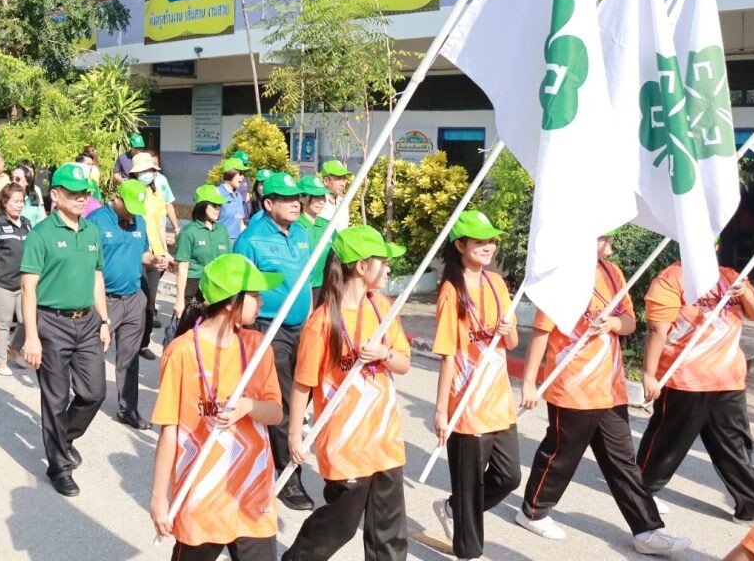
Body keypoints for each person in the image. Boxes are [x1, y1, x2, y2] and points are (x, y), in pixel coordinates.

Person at [517, 231, 689, 556]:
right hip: (571, 385)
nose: (610, 244)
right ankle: (532, 511)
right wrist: (529, 382)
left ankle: (647, 530)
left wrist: (612, 323)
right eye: (603, 237)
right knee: (561, 454)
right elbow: (541, 333)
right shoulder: (561, 275)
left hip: (610, 386)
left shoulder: (613, 273)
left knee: (623, 461)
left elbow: (630, 322)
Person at [285, 225, 411, 561]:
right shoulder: (324, 320)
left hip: (385, 437)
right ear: (361, 265)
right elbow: (303, 383)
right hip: (345, 442)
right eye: (383, 262)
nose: (388, 268)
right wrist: (295, 434)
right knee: (341, 523)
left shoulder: (383, 308)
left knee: (390, 532)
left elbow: (404, 363)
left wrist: (384, 354)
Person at [149, 253, 284, 561]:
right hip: (200, 491)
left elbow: (276, 412)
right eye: (254, 295)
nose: (262, 302)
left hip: (251, 491)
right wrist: (159, 498)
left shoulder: (258, 346)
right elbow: (169, 428)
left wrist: (248, 406)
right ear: (229, 301)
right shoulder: (181, 352)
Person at [637, 251, 754, 524]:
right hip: (686, 378)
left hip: (729, 378)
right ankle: (640, 491)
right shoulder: (671, 279)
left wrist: (745, 292)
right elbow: (658, 330)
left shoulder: (730, 276)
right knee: (667, 442)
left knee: (735, 447)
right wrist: (649, 374)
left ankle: (753, 505)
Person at [430, 210, 520, 561]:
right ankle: (468, 550)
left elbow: (511, 344)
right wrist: (441, 410)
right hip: (466, 402)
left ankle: (454, 509)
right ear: (460, 245)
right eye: (480, 240)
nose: (488, 246)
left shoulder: (497, 284)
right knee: (470, 486)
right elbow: (448, 354)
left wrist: (506, 328)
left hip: (498, 398)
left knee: (509, 476)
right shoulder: (452, 291)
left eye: (492, 240)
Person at [20, 164, 111, 497]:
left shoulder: (91, 231)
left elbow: (97, 278)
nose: (80, 198)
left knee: (94, 393)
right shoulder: (41, 234)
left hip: (87, 321)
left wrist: (104, 320)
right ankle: (59, 465)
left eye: (84, 192)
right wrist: (31, 336)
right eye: (72, 192)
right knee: (55, 400)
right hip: (52, 323)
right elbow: (29, 288)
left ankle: (65, 436)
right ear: (55, 195)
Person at [234, 171, 315, 511]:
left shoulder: (302, 235)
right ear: (268, 204)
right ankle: (287, 476)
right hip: (268, 329)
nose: (295, 202)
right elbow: (241, 293)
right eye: (285, 198)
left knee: (302, 394)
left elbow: (308, 281)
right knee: (280, 399)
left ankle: (276, 453)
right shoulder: (250, 240)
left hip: (301, 327)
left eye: (297, 197)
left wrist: (310, 319)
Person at [89, 179, 163, 430]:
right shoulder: (96, 221)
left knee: (129, 358)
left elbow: (142, 253)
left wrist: (153, 259)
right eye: (129, 207)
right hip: (105, 300)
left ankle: (127, 409)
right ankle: (86, 398)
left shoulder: (139, 221)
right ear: (117, 198)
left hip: (133, 298)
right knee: (92, 353)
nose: (132, 214)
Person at [0, 183, 32, 375]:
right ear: (5, 202)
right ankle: (0, 362)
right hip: (2, 282)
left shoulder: (27, 223)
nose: (20, 205)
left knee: (28, 319)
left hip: (23, 282)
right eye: (16, 201)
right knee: (2, 324)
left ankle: (15, 347)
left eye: (22, 201)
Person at [127, 152, 171, 360]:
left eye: (152, 170)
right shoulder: (129, 193)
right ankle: (128, 340)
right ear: (136, 173)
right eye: (146, 170)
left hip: (155, 252)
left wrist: (165, 250)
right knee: (136, 299)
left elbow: (161, 224)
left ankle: (143, 343)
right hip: (135, 253)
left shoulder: (156, 195)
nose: (150, 174)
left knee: (149, 301)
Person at [174, 185, 231, 322]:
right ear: (202, 206)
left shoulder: (222, 230)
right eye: (214, 205)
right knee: (191, 327)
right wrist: (180, 300)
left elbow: (228, 262)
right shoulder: (189, 232)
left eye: (219, 205)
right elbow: (182, 268)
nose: (218, 209)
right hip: (194, 288)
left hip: (217, 286)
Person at [297, 174, 332, 305]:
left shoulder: (328, 226)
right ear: (302, 198)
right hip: (300, 289)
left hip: (324, 288)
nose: (322, 201)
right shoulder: (293, 226)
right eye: (316, 196)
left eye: (323, 196)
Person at [148, 149, 181, 235]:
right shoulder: (139, 181)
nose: (154, 168)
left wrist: (176, 229)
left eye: (156, 164)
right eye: (151, 165)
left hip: (160, 229)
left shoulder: (162, 180)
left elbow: (168, 204)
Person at [216, 157, 249, 239]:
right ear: (230, 173)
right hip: (222, 243)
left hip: (238, 243)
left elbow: (240, 222)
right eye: (240, 174)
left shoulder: (238, 196)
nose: (242, 178)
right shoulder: (217, 193)